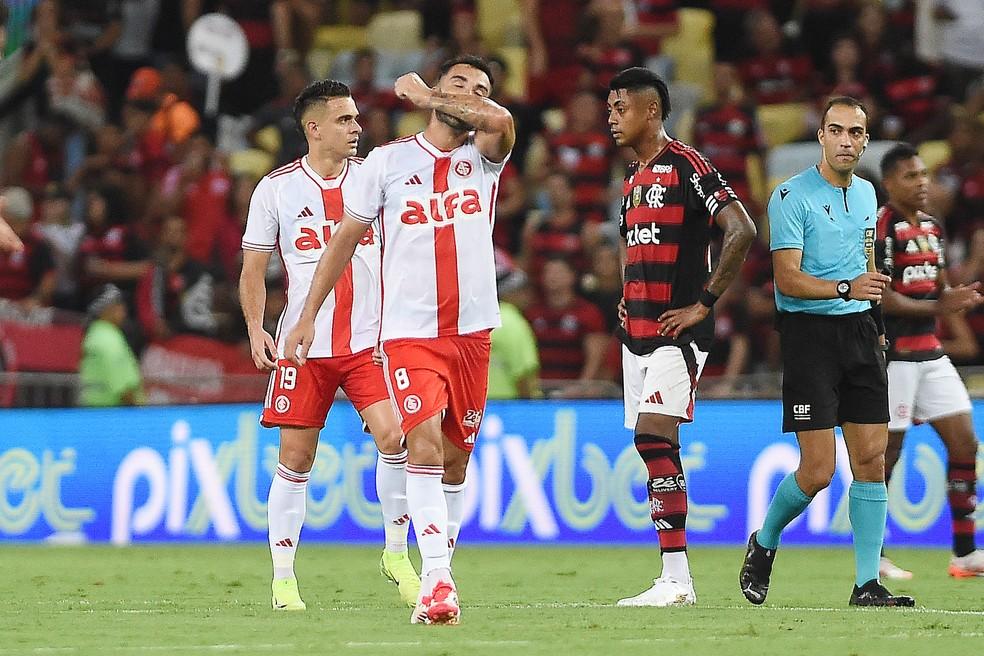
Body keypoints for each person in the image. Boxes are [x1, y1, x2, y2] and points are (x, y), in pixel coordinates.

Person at [285, 55, 514, 626]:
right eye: (459, 85)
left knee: (457, 462)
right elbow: (341, 242)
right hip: (410, 334)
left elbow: (503, 123)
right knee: (424, 446)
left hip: (473, 332)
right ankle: (437, 578)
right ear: (441, 88)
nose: (472, 96)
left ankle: (440, 571)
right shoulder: (385, 163)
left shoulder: (482, 159)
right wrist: (308, 312)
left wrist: (429, 98)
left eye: (481, 89)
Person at [239, 79, 419, 613]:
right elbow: (253, 267)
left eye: (357, 118)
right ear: (313, 128)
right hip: (304, 345)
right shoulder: (276, 188)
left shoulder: (378, 180)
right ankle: (283, 579)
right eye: (345, 120)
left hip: (372, 342)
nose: (357, 127)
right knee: (296, 457)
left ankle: (395, 553)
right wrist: (255, 327)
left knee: (396, 436)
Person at [739, 96, 915, 608]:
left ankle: (866, 583)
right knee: (817, 470)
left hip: (861, 332)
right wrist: (846, 289)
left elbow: (867, 266)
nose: (845, 140)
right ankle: (765, 541)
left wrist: (877, 326)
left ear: (864, 140)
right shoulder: (790, 195)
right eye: (835, 130)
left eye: (855, 133)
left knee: (871, 459)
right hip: (809, 335)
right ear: (820, 136)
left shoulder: (866, 195)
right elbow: (787, 279)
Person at [606, 67, 757, 607]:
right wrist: (628, 292)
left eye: (620, 107)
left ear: (651, 110)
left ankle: (677, 580)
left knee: (652, 437)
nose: (611, 116)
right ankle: (674, 578)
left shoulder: (687, 165)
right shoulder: (631, 178)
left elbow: (741, 229)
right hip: (637, 332)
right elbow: (635, 245)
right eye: (609, 107)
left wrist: (705, 303)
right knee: (656, 444)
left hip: (677, 331)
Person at [874, 143, 984, 580]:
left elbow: (934, 288)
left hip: (931, 354)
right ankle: (874, 554)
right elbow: (882, 298)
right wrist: (941, 308)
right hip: (896, 357)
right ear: (889, 183)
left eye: (923, 175)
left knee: (964, 443)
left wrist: (954, 297)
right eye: (909, 176)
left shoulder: (933, 229)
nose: (921, 183)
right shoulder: (882, 226)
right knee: (888, 455)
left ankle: (963, 553)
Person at [78, 284, 144, 407]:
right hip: (114, 415)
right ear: (106, 309)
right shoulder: (109, 339)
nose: (124, 308)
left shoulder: (94, 335)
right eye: (119, 304)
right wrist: (138, 413)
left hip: (93, 411)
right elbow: (124, 387)